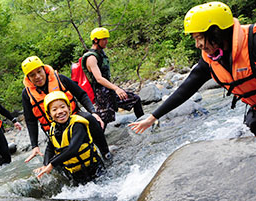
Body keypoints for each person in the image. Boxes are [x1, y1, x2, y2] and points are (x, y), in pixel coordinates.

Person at [129, 2, 256, 135]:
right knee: (252, 123)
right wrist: (152, 118)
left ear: (217, 33)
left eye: (199, 38)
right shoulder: (209, 62)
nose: (197, 45)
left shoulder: (253, 42)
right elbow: (185, 90)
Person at [21, 56, 112, 162]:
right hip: (53, 128)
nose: (37, 76)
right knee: (48, 162)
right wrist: (34, 146)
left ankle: (106, 153)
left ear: (44, 70)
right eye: (32, 75)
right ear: (28, 78)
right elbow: (30, 120)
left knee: (90, 118)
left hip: (73, 117)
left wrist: (93, 112)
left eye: (39, 71)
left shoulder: (60, 79)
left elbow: (81, 95)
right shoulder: (26, 94)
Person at [35, 91, 105, 185]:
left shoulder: (78, 125)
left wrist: (52, 165)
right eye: (54, 109)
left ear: (69, 108)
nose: (60, 111)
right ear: (49, 114)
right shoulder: (53, 129)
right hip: (75, 175)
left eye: (63, 107)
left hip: (95, 169)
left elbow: (73, 149)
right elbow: (50, 148)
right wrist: (45, 164)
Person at [82, 27, 144, 127]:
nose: (106, 41)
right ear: (96, 40)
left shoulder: (100, 53)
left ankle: (142, 124)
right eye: (104, 39)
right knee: (104, 120)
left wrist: (114, 89)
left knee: (135, 99)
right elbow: (98, 78)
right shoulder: (91, 58)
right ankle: (94, 140)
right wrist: (116, 88)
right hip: (101, 94)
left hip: (109, 90)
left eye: (107, 39)